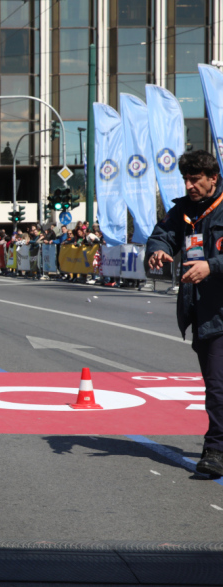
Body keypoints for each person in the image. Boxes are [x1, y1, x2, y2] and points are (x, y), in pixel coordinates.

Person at [147, 150, 223, 477]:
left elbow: (212, 262)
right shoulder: (184, 212)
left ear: (213, 179)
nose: (189, 185)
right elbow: (161, 234)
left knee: (219, 385)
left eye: (195, 179)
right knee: (215, 384)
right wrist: (159, 251)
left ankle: (215, 449)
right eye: (186, 179)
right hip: (205, 314)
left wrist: (212, 266)